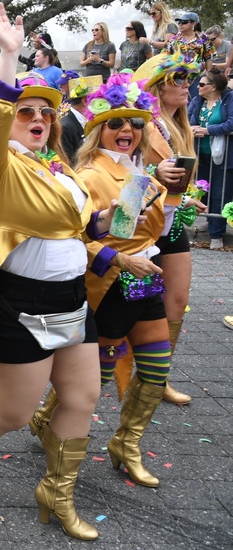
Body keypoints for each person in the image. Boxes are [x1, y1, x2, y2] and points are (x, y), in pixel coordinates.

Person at [0, 4, 104, 541]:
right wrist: (10, 54)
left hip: (72, 299)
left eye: (46, 113)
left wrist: (108, 232)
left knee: (82, 398)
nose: (37, 119)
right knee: (12, 412)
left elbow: (71, 230)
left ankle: (57, 493)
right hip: (22, 302)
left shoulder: (56, 167)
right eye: (26, 110)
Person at [69, 72, 173, 490]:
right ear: (97, 130)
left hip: (147, 279)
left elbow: (153, 232)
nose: (126, 129)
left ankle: (127, 445)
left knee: (156, 365)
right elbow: (73, 241)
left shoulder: (145, 171)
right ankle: (46, 419)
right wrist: (121, 259)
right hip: (107, 286)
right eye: (115, 122)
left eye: (134, 122)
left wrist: (178, 203)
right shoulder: (87, 176)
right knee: (100, 374)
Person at [132, 53, 207, 405]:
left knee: (176, 302)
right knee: (116, 317)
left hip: (172, 225)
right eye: (179, 79)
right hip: (140, 227)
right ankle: (55, 406)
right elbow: (120, 176)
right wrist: (154, 178)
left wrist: (188, 197)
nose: (187, 86)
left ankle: (157, 380)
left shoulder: (180, 128)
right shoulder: (141, 124)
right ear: (158, 86)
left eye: (189, 79)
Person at [190, 69, 233, 248]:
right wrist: (191, 128)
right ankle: (209, 220)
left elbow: (231, 122)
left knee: (219, 194)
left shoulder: (229, 99)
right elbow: (185, 118)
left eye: (201, 84)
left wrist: (208, 130)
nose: (197, 87)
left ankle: (216, 235)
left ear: (213, 86)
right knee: (202, 191)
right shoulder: (197, 100)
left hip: (223, 158)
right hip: (201, 155)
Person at [165, 12, 215, 100]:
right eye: (179, 22)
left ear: (193, 23)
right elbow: (167, 57)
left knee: (196, 102)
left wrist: (208, 75)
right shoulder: (174, 39)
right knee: (180, 103)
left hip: (197, 77)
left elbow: (209, 57)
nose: (180, 24)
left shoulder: (203, 38)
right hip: (178, 77)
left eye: (184, 22)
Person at [58, 76, 103, 166]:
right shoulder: (65, 127)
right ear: (85, 101)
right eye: (99, 99)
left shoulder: (95, 122)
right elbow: (69, 163)